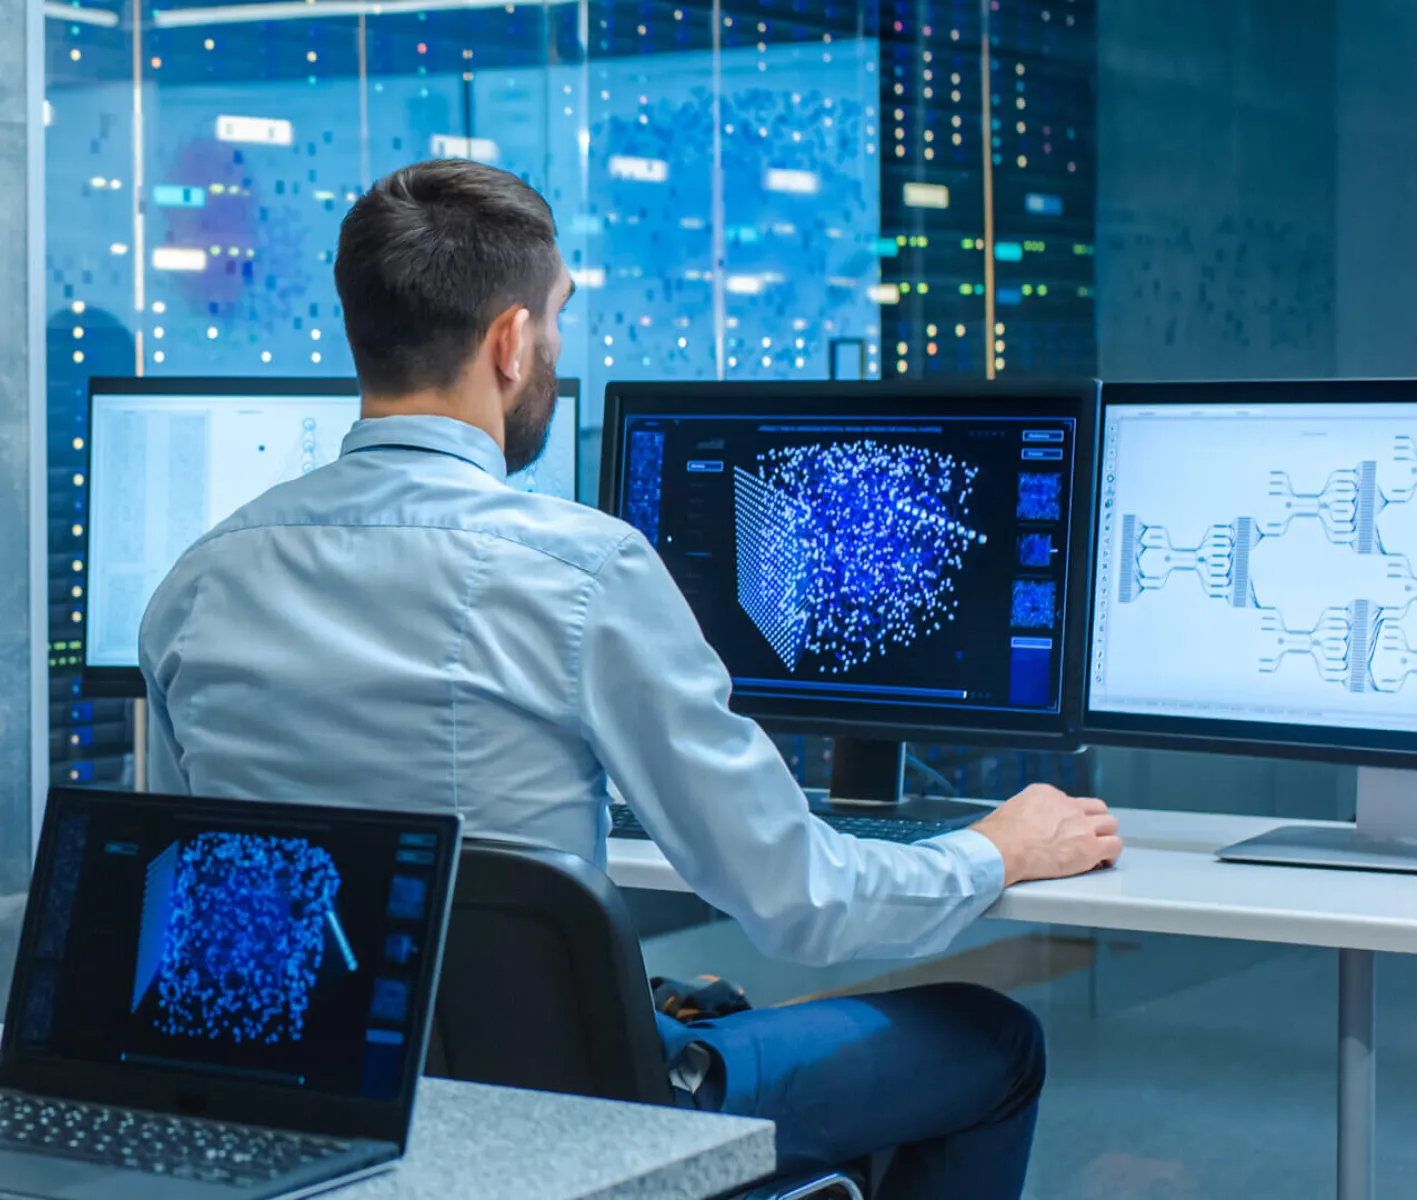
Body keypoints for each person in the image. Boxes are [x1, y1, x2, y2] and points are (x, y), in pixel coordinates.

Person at [139, 158, 1123, 1200]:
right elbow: (803, 904)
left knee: (707, 1000)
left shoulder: (197, 582)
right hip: (572, 1125)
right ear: (511, 342)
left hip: (329, 1121)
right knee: (989, 1039)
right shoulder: (579, 573)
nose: (555, 351)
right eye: (557, 321)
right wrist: (993, 849)